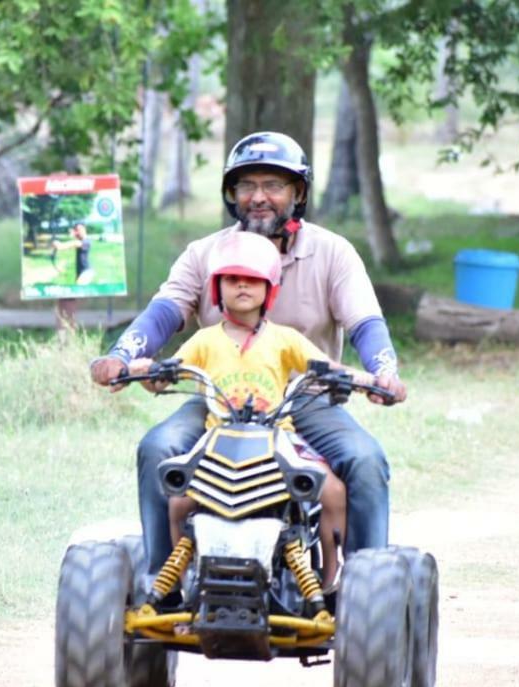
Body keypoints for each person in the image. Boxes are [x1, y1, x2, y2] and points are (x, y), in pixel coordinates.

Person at [89, 130, 407, 578]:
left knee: (365, 460)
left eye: (274, 186)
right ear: (231, 194)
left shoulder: (332, 252)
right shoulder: (204, 254)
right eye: (247, 186)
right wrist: (122, 356)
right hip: (218, 397)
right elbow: (163, 313)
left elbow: (365, 325)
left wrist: (383, 372)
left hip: (305, 401)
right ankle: (162, 582)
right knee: (157, 447)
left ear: (297, 193)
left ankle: (366, 583)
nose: (260, 197)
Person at [128, 231, 366, 589]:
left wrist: (363, 378)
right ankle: (176, 584)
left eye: (252, 280)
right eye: (232, 279)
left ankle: (334, 583)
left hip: (277, 436)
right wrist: (146, 372)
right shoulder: (205, 339)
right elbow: (168, 372)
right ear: (216, 288)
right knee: (178, 503)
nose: (242, 286)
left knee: (331, 491)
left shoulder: (284, 337)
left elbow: (325, 366)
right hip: (217, 437)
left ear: (269, 289)